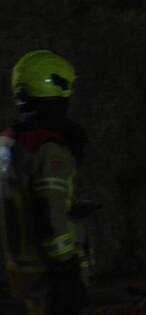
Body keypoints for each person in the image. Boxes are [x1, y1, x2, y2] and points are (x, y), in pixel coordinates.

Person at [0, 50, 89, 315]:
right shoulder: (49, 149)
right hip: (47, 276)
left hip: (16, 271)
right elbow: (49, 214)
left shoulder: (9, 143)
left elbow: (21, 198)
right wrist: (66, 267)